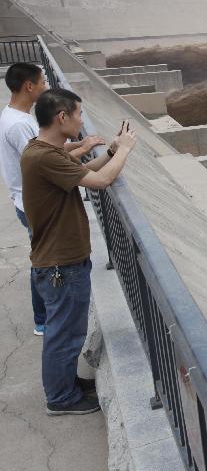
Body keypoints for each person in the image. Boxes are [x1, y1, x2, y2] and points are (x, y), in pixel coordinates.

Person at [21, 88, 137, 415]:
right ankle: (60, 399)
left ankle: (66, 386)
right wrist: (126, 151)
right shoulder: (45, 156)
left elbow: (89, 173)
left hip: (61, 260)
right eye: (79, 114)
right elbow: (100, 182)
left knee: (68, 332)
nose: (81, 120)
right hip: (61, 264)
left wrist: (112, 152)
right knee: (64, 336)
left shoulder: (44, 151)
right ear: (62, 117)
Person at [1, 63, 103, 336]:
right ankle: (43, 319)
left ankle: (45, 319)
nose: (47, 85)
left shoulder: (16, 117)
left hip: (27, 200)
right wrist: (85, 149)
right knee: (46, 263)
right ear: (29, 86)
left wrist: (81, 147)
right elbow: (47, 163)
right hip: (36, 203)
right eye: (43, 81)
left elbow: (50, 152)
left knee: (43, 260)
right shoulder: (20, 125)